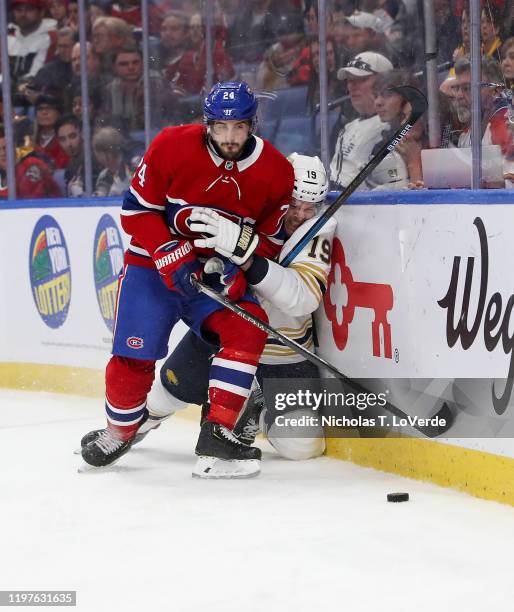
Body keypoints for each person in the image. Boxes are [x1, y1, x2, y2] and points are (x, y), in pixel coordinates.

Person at [80, 81, 294, 479]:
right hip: (152, 268)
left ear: (253, 125)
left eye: (239, 127)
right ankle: (120, 431)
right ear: (207, 123)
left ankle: (219, 435)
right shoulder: (171, 145)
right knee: (135, 353)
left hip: (212, 280)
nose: (229, 138)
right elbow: (135, 212)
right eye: (221, 127)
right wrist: (166, 250)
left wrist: (235, 270)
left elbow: (268, 242)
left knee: (248, 330)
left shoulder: (277, 172)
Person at [80, 153, 335, 461]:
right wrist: (220, 271)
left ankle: (255, 408)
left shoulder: (318, 230)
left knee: (303, 445)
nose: (300, 215)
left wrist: (249, 261)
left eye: (311, 208)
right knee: (161, 400)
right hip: (225, 343)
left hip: (284, 353)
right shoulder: (247, 211)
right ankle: (129, 430)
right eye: (294, 204)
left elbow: (302, 299)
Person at [329, 51, 393, 189]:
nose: (352, 86)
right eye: (350, 80)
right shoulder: (347, 127)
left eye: (361, 79)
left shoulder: (392, 127)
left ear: (385, 82)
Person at [454, 55, 514, 187]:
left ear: (496, 91)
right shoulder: (469, 128)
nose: (458, 96)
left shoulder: (506, 126)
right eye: (456, 88)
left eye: (467, 88)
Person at [6, 0, 57, 100]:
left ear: (42, 12)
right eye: (19, 10)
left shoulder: (51, 37)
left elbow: (36, 75)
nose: (23, 14)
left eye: (29, 9)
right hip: (8, 95)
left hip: (35, 96)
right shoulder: (7, 36)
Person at [0, 123, 61, 199]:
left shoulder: (30, 165)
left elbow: (30, 203)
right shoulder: (3, 175)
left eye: (5, 148)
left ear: (15, 147)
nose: (3, 153)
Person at [92, 127, 131, 196]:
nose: (96, 155)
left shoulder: (132, 170)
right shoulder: (103, 175)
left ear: (107, 152)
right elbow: (100, 199)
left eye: (98, 151)